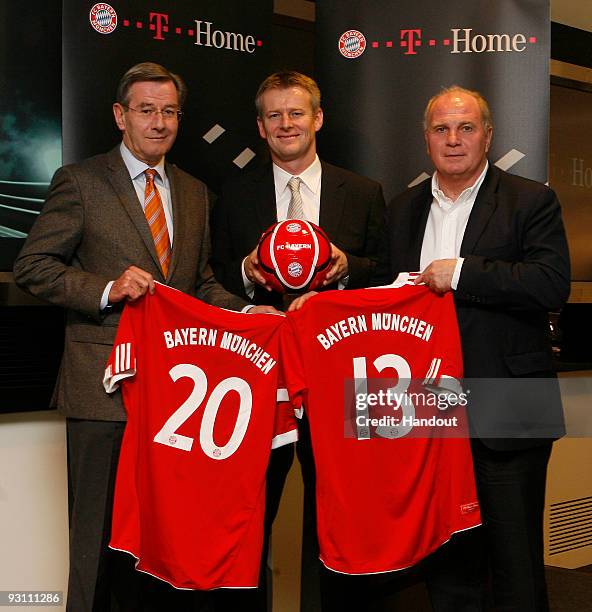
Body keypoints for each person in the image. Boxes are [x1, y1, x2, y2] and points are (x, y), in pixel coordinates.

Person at [13, 62, 275, 612]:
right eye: (146, 110)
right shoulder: (82, 182)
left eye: (169, 112)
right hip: (102, 389)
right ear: (120, 116)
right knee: (95, 542)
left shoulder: (195, 192)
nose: (158, 123)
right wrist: (108, 288)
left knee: (160, 543)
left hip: (173, 398)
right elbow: (33, 266)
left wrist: (258, 317)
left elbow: (199, 286)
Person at [386, 86, 570, 610]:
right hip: (428, 409)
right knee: (449, 564)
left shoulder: (530, 199)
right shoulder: (402, 209)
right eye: (441, 129)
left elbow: (550, 283)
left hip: (510, 404)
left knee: (515, 565)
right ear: (426, 141)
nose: (454, 139)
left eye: (466, 128)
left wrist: (462, 274)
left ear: (488, 135)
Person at [210, 70, 387, 611]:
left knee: (341, 522)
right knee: (247, 518)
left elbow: (387, 276)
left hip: (339, 388)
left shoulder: (361, 192)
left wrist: (345, 268)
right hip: (259, 385)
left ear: (318, 118)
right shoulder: (231, 193)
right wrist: (246, 272)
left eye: (296, 112)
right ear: (260, 128)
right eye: (274, 115)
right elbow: (208, 277)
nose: (286, 124)